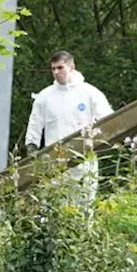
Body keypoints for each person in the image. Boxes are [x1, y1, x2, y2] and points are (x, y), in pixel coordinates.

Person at [24, 50, 113, 204]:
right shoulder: (45, 97)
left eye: (60, 68)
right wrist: (32, 149)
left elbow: (109, 120)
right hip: (54, 160)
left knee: (84, 207)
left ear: (72, 67)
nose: (56, 72)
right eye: (53, 69)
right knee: (52, 207)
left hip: (85, 160)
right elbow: (35, 125)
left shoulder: (90, 93)